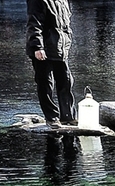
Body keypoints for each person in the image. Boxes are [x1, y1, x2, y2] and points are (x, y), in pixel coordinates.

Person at [26, 0, 76, 129]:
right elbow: (34, 23)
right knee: (46, 84)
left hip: (60, 48)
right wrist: (38, 47)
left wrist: (67, 45)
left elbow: (65, 25)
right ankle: (52, 118)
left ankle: (68, 116)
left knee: (66, 81)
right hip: (43, 49)